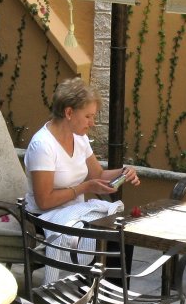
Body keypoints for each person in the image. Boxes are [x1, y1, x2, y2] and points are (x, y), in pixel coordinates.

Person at [24, 77, 140, 220]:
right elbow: (44, 201)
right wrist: (85, 188)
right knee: (104, 236)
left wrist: (123, 172)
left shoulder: (80, 138)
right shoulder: (43, 145)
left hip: (74, 214)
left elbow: (97, 175)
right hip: (44, 219)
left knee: (121, 227)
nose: (92, 123)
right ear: (69, 113)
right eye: (88, 116)